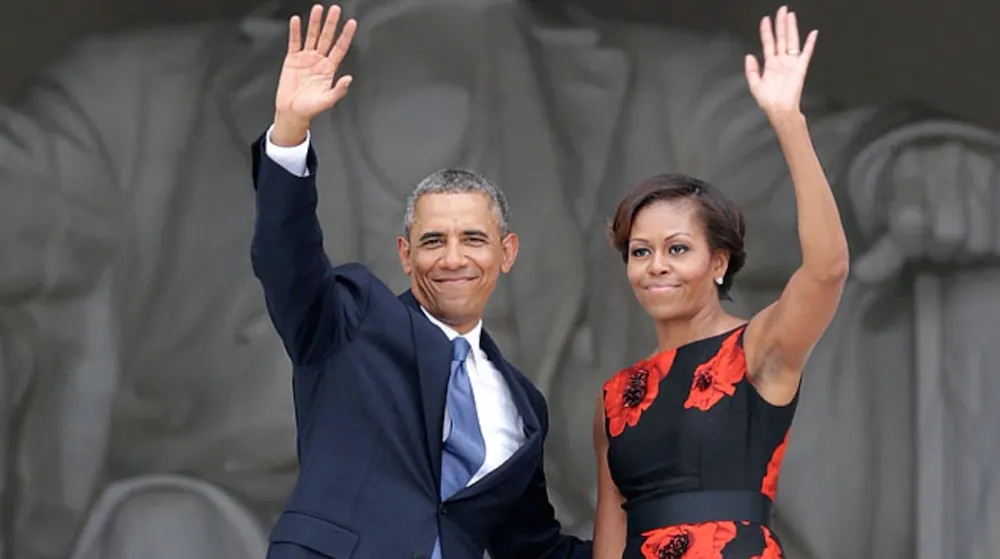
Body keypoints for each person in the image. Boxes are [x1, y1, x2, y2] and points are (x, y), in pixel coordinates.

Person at [250, 4, 593, 559]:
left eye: (473, 240)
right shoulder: (351, 320)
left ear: (507, 253)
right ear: (405, 255)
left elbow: (534, 550)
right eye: (433, 241)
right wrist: (290, 130)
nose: (453, 258)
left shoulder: (522, 403)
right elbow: (284, 257)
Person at [592, 8, 849, 558]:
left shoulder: (757, 349)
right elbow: (610, 538)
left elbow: (826, 270)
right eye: (641, 252)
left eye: (678, 249)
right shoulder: (617, 396)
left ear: (719, 263)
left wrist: (788, 122)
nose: (656, 265)